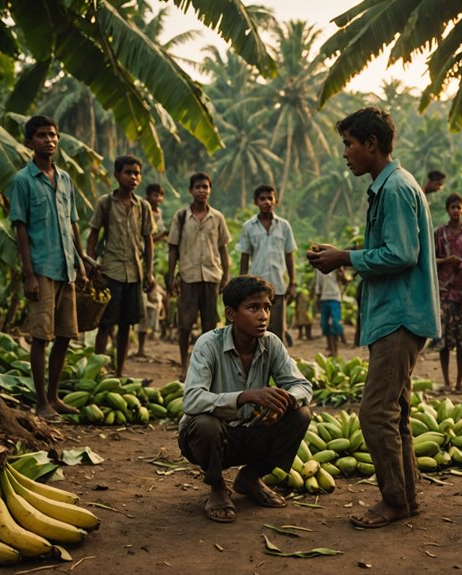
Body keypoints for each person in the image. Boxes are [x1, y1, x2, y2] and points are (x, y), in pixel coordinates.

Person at [307, 107, 441, 529]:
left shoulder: (396, 189)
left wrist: (344, 258)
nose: (345, 153)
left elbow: (403, 253)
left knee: (374, 412)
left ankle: (394, 501)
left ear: (371, 145)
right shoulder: (387, 188)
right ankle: (406, 498)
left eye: (349, 144)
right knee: (394, 411)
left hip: (399, 315)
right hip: (394, 312)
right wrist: (343, 256)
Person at [177, 275, 312, 524]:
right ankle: (217, 487)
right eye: (253, 308)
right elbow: (192, 400)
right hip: (212, 438)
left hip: (251, 433)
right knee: (206, 424)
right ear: (231, 313)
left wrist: (286, 400)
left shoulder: (271, 343)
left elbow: (302, 386)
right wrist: (244, 397)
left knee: (300, 414)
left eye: (267, 307)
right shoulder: (208, 344)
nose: (263, 316)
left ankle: (250, 477)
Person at [9, 115, 87, 420]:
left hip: (67, 268)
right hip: (41, 270)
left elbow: (73, 223)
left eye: (53, 135)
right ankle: (40, 403)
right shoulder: (23, 180)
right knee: (41, 337)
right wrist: (28, 275)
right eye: (41, 135)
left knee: (65, 335)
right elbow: (21, 229)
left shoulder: (65, 178)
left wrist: (82, 259)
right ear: (30, 142)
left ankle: (54, 397)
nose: (49, 140)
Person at [87, 155, 155, 377]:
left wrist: (149, 272)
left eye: (136, 173)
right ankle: (98, 369)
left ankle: (120, 371)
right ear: (117, 175)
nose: (132, 177)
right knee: (105, 324)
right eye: (128, 172)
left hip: (134, 273)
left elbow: (148, 239)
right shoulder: (105, 203)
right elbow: (94, 234)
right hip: (110, 272)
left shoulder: (143, 207)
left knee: (127, 324)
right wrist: (90, 263)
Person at [167, 172, 232, 377]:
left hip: (212, 276)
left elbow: (223, 250)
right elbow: (173, 249)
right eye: (197, 187)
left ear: (210, 190)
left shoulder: (218, 217)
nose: (201, 190)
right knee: (185, 325)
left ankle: (206, 366)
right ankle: (184, 365)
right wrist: (170, 276)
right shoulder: (181, 217)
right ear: (190, 190)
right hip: (188, 276)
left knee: (210, 325)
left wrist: (226, 277)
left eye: (205, 187)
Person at [237, 184, 297, 344]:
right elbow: (245, 256)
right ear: (256, 202)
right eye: (262, 199)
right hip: (256, 287)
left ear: (275, 200)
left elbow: (289, 254)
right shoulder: (248, 227)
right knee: (256, 329)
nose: (267, 202)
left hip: (278, 286)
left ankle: (277, 367)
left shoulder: (284, 226)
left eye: (270, 198)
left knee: (278, 330)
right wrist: (242, 283)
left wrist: (292, 282)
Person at [433, 193, 462, 394]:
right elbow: (430, 260)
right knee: (443, 342)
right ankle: (446, 382)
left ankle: (459, 383)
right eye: (452, 207)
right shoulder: (439, 234)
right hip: (443, 293)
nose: (456, 211)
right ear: (447, 210)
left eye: (459, 207)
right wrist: (446, 261)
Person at [135, 183, 167, 358]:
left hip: (152, 264)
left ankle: (143, 344)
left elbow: (152, 242)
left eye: (161, 196)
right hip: (137, 262)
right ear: (148, 195)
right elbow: (144, 238)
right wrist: (159, 238)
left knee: (153, 304)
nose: (158, 199)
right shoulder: (140, 208)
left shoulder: (159, 214)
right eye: (155, 195)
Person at [313, 268, 345, 357]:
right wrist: (318, 300)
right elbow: (318, 284)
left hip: (335, 298)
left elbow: (343, 280)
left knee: (335, 324)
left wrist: (340, 270)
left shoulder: (336, 267)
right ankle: (331, 349)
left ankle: (335, 350)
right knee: (325, 325)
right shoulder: (318, 269)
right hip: (324, 298)